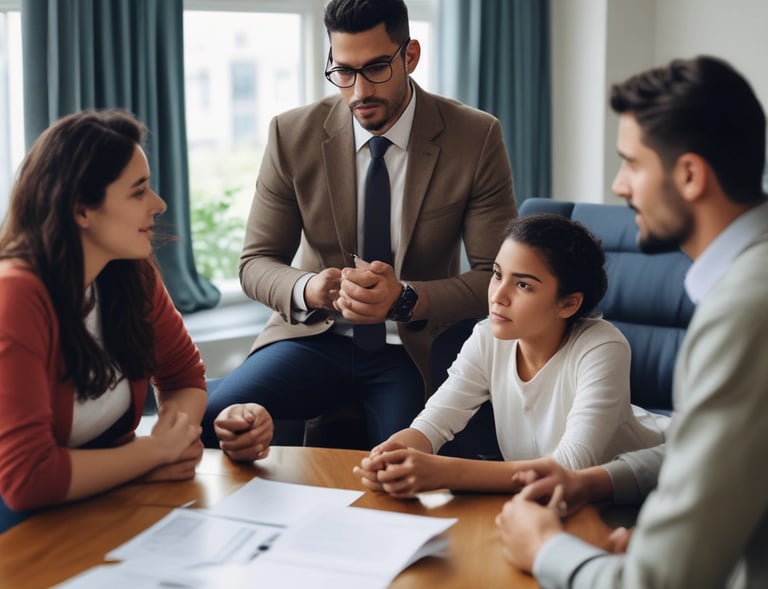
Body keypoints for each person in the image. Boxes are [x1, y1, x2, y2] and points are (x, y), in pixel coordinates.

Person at [495, 55, 768, 588]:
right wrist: (591, 481)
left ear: (689, 174)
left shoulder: (744, 311)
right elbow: (705, 457)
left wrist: (546, 547)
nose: (619, 187)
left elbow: (658, 584)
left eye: (632, 164)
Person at [202, 0, 517, 448]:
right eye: (343, 71)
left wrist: (407, 297)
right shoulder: (291, 134)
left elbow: (494, 276)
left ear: (410, 57)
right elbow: (256, 262)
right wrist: (309, 288)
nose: (358, 91)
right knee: (214, 420)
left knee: (404, 467)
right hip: (311, 337)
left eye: (375, 69)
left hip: (409, 350)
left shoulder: (475, 136)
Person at [0, 110, 273, 524]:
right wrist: (150, 455)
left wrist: (173, 439)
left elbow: (182, 376)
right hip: (23, 521)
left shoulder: (129, 272)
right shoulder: (15, 296)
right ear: (81, 210)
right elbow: (26, 479)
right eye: (138, 191)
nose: (159, 204)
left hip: (102, 500)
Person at [352, 214, 667, 497]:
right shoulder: (488, 336)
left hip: (649, 484)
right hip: (544, 498)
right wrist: (391, 455)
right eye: (497, 274)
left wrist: (444, 472)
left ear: (568, 304)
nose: (498, 295)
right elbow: (432, 425)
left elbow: (570, 466)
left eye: (524, 285)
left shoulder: (602, 346)